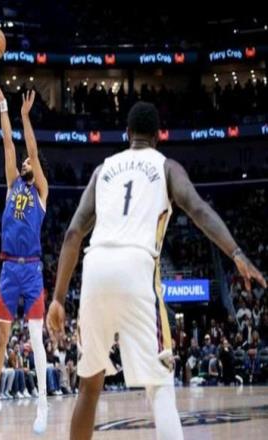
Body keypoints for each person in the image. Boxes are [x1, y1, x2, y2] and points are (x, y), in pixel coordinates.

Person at [46, 101, 266, 440]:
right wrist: (236, 253)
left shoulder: (103, 169)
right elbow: (197, 209)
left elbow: (73, 233)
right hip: (137, 265)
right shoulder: (166, 167)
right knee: (160, 384)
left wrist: (58, 298)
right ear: (159, 136)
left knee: (89, 384)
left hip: (95, 265)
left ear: (127, 134)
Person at [0, 83, 48, 433]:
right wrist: (6, 107)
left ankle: (43, 405)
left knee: (36, 338)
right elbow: (8, 143)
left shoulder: (41, 192)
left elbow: (31, 150)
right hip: (9, 269)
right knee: (1, 338)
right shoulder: (12, 185)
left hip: (33, 270)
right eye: (23, 162)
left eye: (28, 162)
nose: (24, 162)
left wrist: (25, 116)